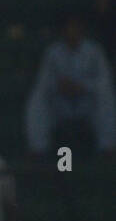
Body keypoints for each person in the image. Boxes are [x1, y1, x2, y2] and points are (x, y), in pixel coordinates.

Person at [25, 12, 116, 156]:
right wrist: (59, 86)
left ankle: (108, 147)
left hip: (87, 103)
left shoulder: (94, 51)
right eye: (69, 27)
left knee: (107, 97)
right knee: (38, 98)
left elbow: (104, 82)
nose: (72, 30)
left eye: (75, 26)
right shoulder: (53, 52)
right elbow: (44, 83)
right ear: (63, 30)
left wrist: (83, 87)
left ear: (82, 29)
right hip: (60, 103)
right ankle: (38, 149)